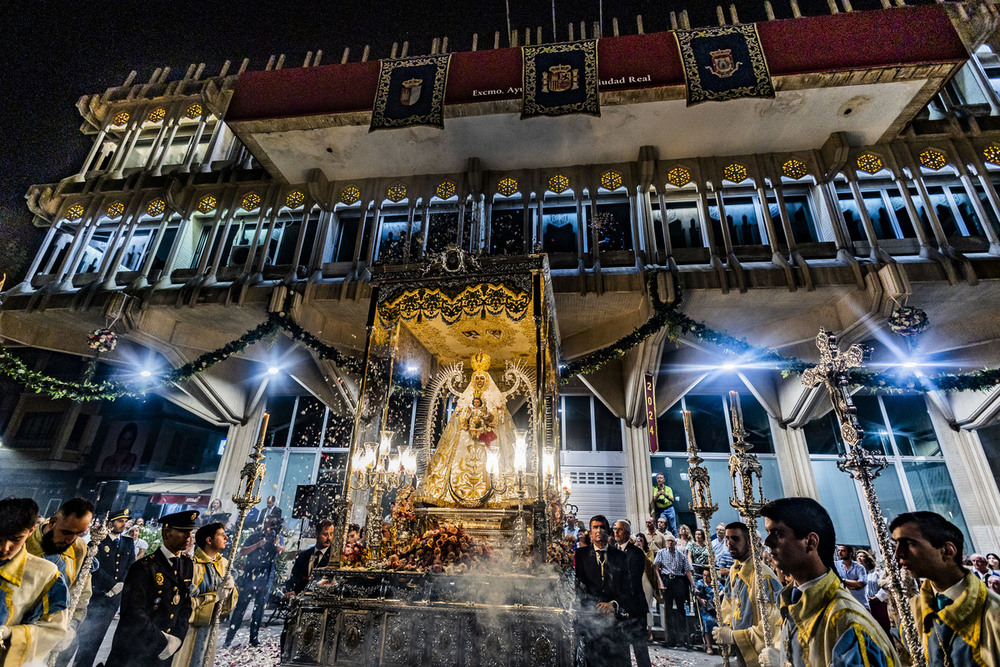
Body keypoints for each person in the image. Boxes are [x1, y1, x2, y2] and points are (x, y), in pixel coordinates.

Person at [758, 497, 897, 667]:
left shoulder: (847, 623)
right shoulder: (795, 602)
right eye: (768, 532)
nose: (767, 542)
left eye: (778, 534)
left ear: (810, 542)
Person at [890, 510, 1000, 666]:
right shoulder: (912, 610)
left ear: (948, 551)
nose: (898, 553)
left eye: (909, 544)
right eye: (896, 544)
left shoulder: (994, 613)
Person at [415, 352, 524, 508]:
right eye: (477, 378)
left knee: (494, 465)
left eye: (482, 379)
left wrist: (488, 418)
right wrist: (466, 418)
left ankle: (496, 495)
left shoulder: (495, 400)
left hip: (489, 440)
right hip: (466, 440)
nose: (479, 381)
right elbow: (458, 420)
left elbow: (499, 419)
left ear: (487, 381)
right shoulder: (466, 400)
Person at [104, 510, 198, 667]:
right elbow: (134, 612)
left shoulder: (186, 565)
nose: (188, 537)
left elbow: (185, 604)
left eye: (190, 532)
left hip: (164, 651)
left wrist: (177, 638)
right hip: (136, 647)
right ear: (166, 533)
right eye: (182, 532)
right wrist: (162, 640)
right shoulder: (145, 566)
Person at [0, 497, 71, 666]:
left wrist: (9, 633)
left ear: (31, 531)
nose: (4, 548)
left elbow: (54, 630)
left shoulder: (45, 573)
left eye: (16, 539)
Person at [26, 498, 94, 667]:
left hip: (54, 632)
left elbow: (81, 591)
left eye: (78, 534)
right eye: (66, 532)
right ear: (53, 521)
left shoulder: (79, 548)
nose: (70, 540)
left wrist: (72, 625)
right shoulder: (24, 542)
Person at [713, 522, 781, 667]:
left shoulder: (764, 577)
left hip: (758, 654)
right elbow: (728, 604)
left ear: (749, 541)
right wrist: (725, 626)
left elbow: (773, 625)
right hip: (741, 651)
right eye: (727, 539)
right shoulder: (734, 570)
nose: (729, 543)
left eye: (735, 539)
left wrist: (733, 636)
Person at [74, 508, 135, 667]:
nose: (124, 524)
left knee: (95, 640)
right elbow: (93, 566)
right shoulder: (98, 540)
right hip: (94, 595)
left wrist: (120, 585)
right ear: (111, 523)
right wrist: (110, 584)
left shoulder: (128, 542)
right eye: (120, 521)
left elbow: (130, 566)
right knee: (77, 636)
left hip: (112, 600)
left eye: (125, 521)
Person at [171, 522, 236, 667]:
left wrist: (230, 589)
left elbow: (227, 604)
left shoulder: (224, 563)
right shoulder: (192, 564)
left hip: (212, 622)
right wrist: (215, 597)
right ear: (209, 540)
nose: (226, 537)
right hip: (190, 625)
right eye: (221, 534)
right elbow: (187, 598)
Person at [574, 515, 629, 667]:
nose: (599, 531)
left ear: (608, 532)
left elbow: (628, 589)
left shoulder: (621, 556)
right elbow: (577, 588)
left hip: (615, 622)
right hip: (590, 620)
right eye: (595, 527)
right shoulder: (580, 555)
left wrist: (614, 606)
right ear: (590, 533)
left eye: (602, 527)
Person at [225, 516, 284, 647]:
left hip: (265, 578)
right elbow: (242, 551)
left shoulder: (277, 538)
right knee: (241, 607)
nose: (268, 527)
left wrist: (277, 545)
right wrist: (257, 545)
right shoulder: (255, 536)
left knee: (259, 610)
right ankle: (229, 637)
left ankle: (254, 638)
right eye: (267, 524)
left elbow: (281, 551)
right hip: (250, 576)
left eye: (271, 525)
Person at [612, 520, 651, 667]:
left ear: (627, 534)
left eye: (620, 530)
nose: (616, 532)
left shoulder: (636, 553)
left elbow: (633, 580)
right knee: (622, 648)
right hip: (620, 606)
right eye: (615, 529)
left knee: (639, 647)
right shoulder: (612, 550)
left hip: (635, 606)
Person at [653, 534, 695, 649]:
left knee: (681, 610)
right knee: (668, 611)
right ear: (666, 542)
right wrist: (661, 583)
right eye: (668, 541)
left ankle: (684, 639)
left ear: (675, 543)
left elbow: (687, 570)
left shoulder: (681, 555)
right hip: (667, 579)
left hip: (678, 580)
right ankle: (670, 639)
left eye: (672, 541)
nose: (670, 543)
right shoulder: (661, 553)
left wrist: (693, 585)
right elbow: (656, 568)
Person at [283, 520, 335, 598]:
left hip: (322, 599)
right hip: (301, 599)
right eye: (325, 534)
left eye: (331, 534)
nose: (329, 538)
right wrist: (290, 591)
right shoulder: (304, 555)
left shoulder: (333, 557)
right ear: (316, 534)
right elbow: (295, 577)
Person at [633, 533, 662, 641]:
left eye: (641, 540)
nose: (639, 541)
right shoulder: (632, 551)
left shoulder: (648, 552)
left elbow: (651, 564)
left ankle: (649, 631)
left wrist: (641, 551)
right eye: (638, 540)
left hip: (646, 577)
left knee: (647, 604)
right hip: (636, 577)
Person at [856, 549, 892, 636]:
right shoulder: (857, 575)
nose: (859, 558)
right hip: (866, 607)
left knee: (886, 631)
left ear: (868, 560)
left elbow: (887, 586)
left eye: (861, 556)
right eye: (857, 557)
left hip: (879, 605)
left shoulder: (877, 572)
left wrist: (876, 598)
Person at [834, 544, 870, 610]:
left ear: (850, 553)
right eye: (838, 550)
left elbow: (860, 584)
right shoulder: (836, 565)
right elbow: (834, 582)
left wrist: (843, 581)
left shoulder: (859, 568)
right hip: (845, 606)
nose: (839, 553)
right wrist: (853, 583)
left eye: (843, 551)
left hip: (861, 605)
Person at [694, 566, 719, 655]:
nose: (705, 577)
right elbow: (696, 594)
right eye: (704, 575)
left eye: (707, 575)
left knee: (719, 621)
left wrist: (718, 595)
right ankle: (709, 646)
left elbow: (723, 590)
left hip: (716, 608)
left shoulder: (716, 583)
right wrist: (700, 599)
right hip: (705, 608)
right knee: (708, 621)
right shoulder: (700, 583)